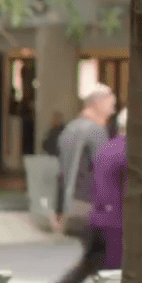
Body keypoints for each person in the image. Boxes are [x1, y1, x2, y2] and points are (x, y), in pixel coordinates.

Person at [28, 108, 128, 283]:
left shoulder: (107, 148)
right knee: (114, 274)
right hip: (116, 224)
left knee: (85, 270)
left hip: (97, 220)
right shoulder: (127, 151)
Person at [53, 86, 115, 236]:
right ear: (97, 103)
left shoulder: (69, 129)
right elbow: (105, 172)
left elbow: (61, 171)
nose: (112, 111)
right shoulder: (96, 131)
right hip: (88, 206)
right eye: (110, 106)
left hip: (68, 206)